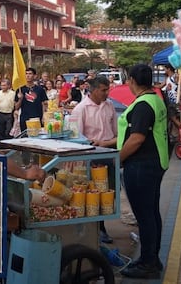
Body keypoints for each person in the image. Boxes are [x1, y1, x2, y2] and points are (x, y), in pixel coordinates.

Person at [118, 64, 168, 279]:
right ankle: (151, 258)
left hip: (141, 166)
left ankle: (148, 263)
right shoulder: (155, 99)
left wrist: (116, 159)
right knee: (152, 213)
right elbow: (135, 132)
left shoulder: (143, 105)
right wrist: (110, 142)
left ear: (131, 81)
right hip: (155, 163)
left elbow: (137, 139)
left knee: (145, 216)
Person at [70, 76, 117, 243]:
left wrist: (107, 143)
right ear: (94, 90)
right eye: (104, 90)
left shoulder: (109, 105)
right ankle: (96, 229)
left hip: (109, 154)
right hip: (91, 157)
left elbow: (116, 134)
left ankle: (101, 227)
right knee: (92, 195)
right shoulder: (81, 109)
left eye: (107, 89)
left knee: (108, 193)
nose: (106, 93)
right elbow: (77, 139)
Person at [14, 68, 48, 133]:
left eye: (30, 74)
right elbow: (16, 107)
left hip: (37, 118)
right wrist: (20, 99)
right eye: (26, 74)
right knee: (25, 138)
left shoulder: (40, 89)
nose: (28, 75)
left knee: (37, 137)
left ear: (35, 76)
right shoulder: (20, 90)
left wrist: (44, 116)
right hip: (24, 118)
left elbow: (44, 103)